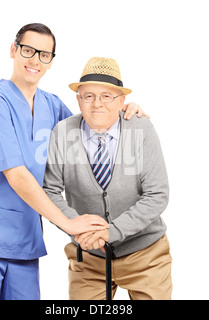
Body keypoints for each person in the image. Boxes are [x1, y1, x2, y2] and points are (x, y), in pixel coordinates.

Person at [0, 23, 147, 300]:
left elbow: (91, 127)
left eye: (45, 55)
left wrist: (122, 108)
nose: (35, 60)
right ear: (13, 50)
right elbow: (16, 174)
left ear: (51, 62)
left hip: (24, 242)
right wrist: (69, 223)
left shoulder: (51, 106)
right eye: (28, 50)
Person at [43, 57, 172, 300]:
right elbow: (49, 191)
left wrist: (111, 232)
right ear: (78, 100)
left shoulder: (140, 128)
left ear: (122, 100)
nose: (97, 103)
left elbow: (157, 195)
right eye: (88, 96)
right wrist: (78, 227)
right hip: (89, 257)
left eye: (106, 96)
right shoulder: (62, 132)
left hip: (145, 254)